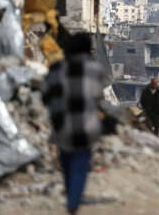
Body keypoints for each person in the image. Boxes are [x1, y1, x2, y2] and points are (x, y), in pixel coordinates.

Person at [42, 33, 103, 215]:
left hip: (62, 125)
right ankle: (73, 201)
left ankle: (71, 196)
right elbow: (98, 96)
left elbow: (46, 97)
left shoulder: (55, 69)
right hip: (86, 126)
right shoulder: (94, 69)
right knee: (80, 164)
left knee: (67, 163)